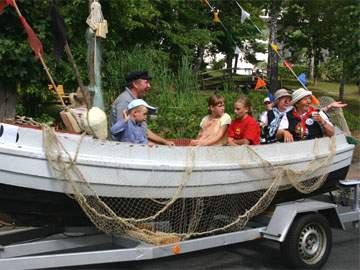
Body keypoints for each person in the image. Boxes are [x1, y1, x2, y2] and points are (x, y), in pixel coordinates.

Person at [109, 71, 174, 145]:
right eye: (146, 82)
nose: (149, 86)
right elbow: (123, 133)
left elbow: (142, 130)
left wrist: (164, 142)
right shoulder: (125, 101)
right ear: (135, 84)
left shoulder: (135, 101)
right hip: (123, 151)